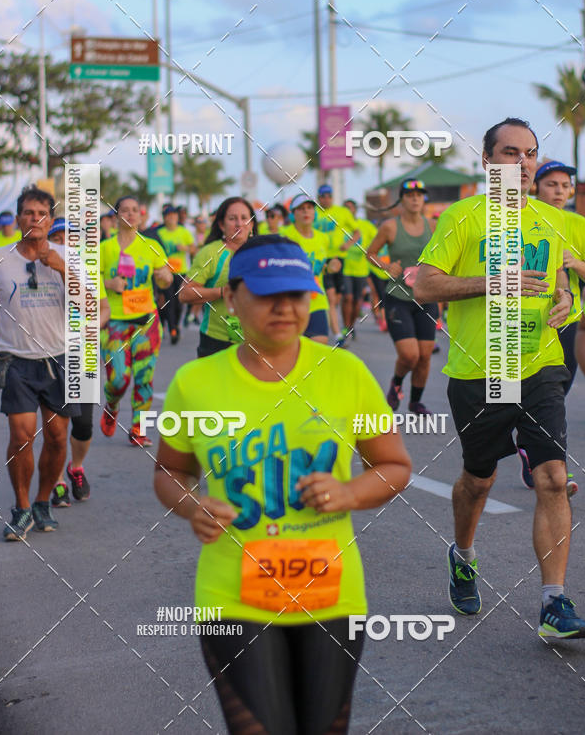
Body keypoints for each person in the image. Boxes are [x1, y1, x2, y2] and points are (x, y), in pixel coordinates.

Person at [153, 234, 412, 735]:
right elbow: (169, 473)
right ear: (231, 297)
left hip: (332, 595)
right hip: (233, 596)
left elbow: (394, 466)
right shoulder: (195, 382)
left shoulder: (345, 372)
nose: (285, 307)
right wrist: (193, 506)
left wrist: (350, 493)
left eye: (296, 294)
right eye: (268, 293)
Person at [414, 117, 585, 639]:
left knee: (553, 478)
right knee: (478, 480)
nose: (522, 162)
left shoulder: (550, 219)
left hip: (537, 364)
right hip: (481, 372)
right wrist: (493, 282)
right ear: (489, 162)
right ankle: (464, 554)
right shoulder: (463, 217)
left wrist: (563, 298)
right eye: (511, 153)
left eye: (530, 153)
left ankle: (554, 603)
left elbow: (557, 277)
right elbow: (425, 284)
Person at [0, 186, 81, 540]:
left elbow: (88, 305)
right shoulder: (0, 258)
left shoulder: (67, 255)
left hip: (59, 358)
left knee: (59, 436)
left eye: (41, 213)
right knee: (21, 434)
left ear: (50, 220)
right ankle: (22, 508)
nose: (35, 218)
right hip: (16, 360)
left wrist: (61, 268)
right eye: (28, 213)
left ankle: (44, 501)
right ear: (18, 220)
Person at [516, 160, 585, 492]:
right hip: (523, 320)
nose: (559, 191)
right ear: (536, 187)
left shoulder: (580, 225)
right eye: (552, 184)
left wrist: (574, 263)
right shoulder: (517, 218)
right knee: (517, 394)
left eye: (565, 185)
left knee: (554, 396)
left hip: (569, 321)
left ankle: (544, 461)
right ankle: (539, 457)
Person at [47, 219, 112, 506]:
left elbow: (104, 309)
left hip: (83, 354)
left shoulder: (88, 272)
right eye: (57, 237)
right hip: (49, 354)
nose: (63, 242)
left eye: (69, 237)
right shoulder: (39, 274)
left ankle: (76, 468)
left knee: (83, 425)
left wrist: (95, 323)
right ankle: (57, 479)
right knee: (55, 426)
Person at [100, 195, 173, 447]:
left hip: (147, 321)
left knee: (144, 377)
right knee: (119, 379)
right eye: (125, 210)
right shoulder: (104, 248)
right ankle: (112, 404)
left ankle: (138, 430)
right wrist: (109, 283)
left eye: (135, 210)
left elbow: (166, 279)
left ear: (141, 217)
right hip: (114, 323)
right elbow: (86, 282)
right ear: (116, 216)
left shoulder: (151, 245)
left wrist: (165, 277)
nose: (131, 214)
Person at [367, 179, 438, 415]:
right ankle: (396, 384)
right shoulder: (390, 227)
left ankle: (415, 401)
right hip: (398, 296)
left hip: (426, 297)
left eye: (420, 194)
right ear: (402, 199)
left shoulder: (434, 225)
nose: (415, 198)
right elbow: (371, 254)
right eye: (410, 195)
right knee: (410, 355)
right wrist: (387, 267)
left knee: (425, 355)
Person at [180, 197, 257, 358]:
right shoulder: (210, 253)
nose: (239, 223)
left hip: (255, 340)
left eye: (244, 218)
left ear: (251, 224)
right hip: (216, 342)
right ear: (222, 225)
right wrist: (224, 291)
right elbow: (184, 294)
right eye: (232, 218)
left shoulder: (263, 251)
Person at [280, 193, 336, 343]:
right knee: (294, 349)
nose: (306, 212)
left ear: (315, 212)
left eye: (310, 208)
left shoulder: (323, 238)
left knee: (320, 342)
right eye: (301, 209)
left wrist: (329, 268)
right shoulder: (284, 237)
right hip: (292, 301)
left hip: (317, 299)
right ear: (293, 214)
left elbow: (319, 268)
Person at [313, 184, 359, 338]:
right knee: (331, 298)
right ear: (319, 197)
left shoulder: (342, 212)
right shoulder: (313, 212)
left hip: (339, 258)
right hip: (322, 258)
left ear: (332, 197)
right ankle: (336, 332)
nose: (326, 199)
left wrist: (348, 244)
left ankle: (339, 326)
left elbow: (357, 232)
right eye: (323, 196)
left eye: (329, 196)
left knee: (341, 298)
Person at [156, 204, 195, 345]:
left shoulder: (183, 232)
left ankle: (176, 325)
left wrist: (185, 248)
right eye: (168, 216)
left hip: (181, 272)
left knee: (179, 303)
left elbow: (193, 249)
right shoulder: (160, 233)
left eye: (174, 215)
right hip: (165, 272)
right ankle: (172, 329)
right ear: (164, 218)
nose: (171, 218)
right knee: (168, 301)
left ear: (177, 217)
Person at [339, 200, 378, 343]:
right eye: (345, 208)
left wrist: (372, 251)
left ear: (355, 210)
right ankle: (345, 326)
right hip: (344, 269)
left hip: (361, 269)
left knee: (357, 301)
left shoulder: (366, 226)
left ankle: (351, 326)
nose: (348, 211)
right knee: (347, 297)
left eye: (351, 208)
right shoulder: (340, 225)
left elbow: (380, 237)